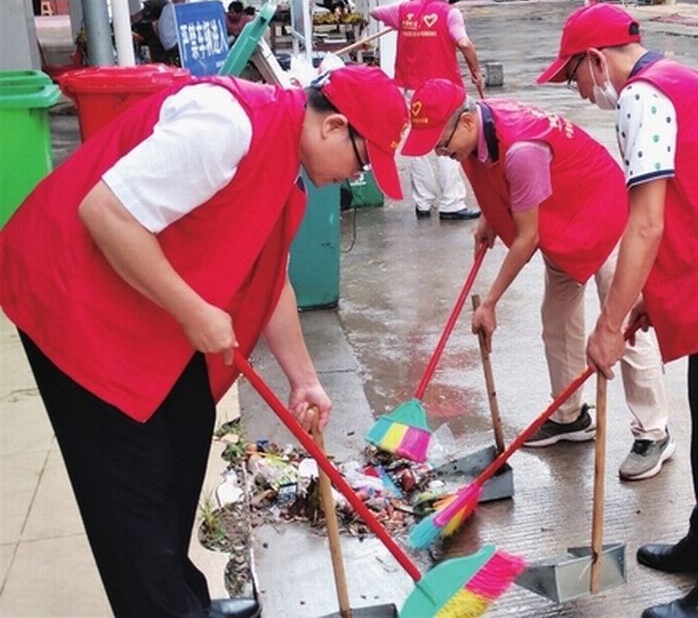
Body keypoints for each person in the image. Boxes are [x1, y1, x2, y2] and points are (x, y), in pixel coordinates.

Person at [0, 65, 409, 618]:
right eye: (362, 163)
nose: (353, 179)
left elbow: (273, 278)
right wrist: (193, 310)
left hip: (143, 305)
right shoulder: (227, 125)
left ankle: (184, 598)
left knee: (185, 442)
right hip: (75, 300)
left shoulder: (288, 163)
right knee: (132, 493)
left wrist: (304, 378)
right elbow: (105, 211)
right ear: (335, 126)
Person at [538, 3, 698, 618]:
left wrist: (607, 326)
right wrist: (651, 301)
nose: (578, 91)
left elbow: (647, 224)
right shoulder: (690, 81)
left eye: (573, 75)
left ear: (597, 59)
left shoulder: (641, 97)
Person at [402, 77, 673, 480]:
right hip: (560, 220)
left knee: (621, 327)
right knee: (557, 320)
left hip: (605, 214)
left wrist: (491, 303)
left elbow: (526, 239)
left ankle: (653, 433)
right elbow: (495, 180)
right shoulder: (479, 128)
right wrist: (488, 218)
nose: (442, 154)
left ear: (464, 123)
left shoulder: (523, 149)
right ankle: (569, 418)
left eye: (442, 144)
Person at [369, 0, 482, 221]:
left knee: (417, 144)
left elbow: (375, 12)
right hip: (443, 92)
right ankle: (451, 203)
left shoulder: (403, 10)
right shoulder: (449, 13)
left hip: (410, 88)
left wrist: (403, 21)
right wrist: (476, 71)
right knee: (447, 140)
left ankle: (423, 202)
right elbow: (463, 42)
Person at [154, 0, 187, 65]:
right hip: (172, 43)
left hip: (166, 42)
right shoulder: (175, 9)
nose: (182, 1)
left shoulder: (166, 8)